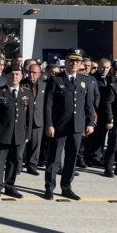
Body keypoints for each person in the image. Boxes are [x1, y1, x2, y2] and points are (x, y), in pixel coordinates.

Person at [43, 49, 95, 201]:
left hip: (77, 126)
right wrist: (49, 124)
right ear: (65, 62)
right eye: (71, 61)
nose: (74, 63)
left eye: (77, 61)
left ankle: (66, 187)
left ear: (80, 64)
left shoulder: (85, 80)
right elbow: (48, 105)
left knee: (72, 158)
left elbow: (88, 104)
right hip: (59, 126)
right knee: (54, 159)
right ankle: (49, 188)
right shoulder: (56, 80)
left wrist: (90, 122)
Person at [0, 64, 33, 198]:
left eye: (17, 74)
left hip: (19, 134)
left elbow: (29, 117)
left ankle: (10, 186)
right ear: (6, 76)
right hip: (2, 134)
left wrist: (28, 133)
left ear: (21, 76)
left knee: (14, 161)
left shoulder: (26, 93)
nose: (14, 77)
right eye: (11, 74)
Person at [84, 58, 115, 167]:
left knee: (101, 137)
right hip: (94, 112)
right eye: (102, 67)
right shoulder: (92, 79)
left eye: (107, 67)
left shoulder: (112, 79)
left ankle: (97, 156)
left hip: (106, 113)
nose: (104, 69)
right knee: (91, 137)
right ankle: (87, 157)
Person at [21, 63, 46, 175]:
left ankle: (32, 165)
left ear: (39, 74)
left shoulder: (44, 85)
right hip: (24, 118)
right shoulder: (21, 84)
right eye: (30, 72)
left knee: (36, 144)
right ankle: (18, 165)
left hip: (38, 118)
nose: (31, 75)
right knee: (21, 143)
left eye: (34, 73)